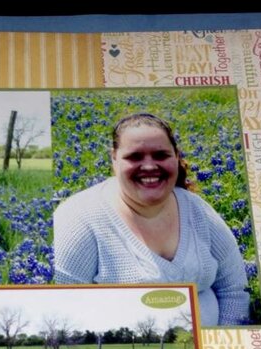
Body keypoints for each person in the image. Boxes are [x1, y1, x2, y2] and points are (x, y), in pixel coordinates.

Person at [53, 113, 249, 326]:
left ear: (176, 156)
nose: (149, 166)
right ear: (114, 159)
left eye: (161, 155)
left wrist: (224, 344)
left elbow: (234, 289)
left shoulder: (196, 208)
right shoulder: (79, 217)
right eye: (135, 157)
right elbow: (65, 308)